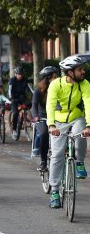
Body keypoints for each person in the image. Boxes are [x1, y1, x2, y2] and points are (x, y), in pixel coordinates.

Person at [47, 56, 90, 208]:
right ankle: (55, 191)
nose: (83, 71)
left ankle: (79, 163)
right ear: (70, 72)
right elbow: (50, 105)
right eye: (80, 69)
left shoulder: (84, 84)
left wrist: (89, 126)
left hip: (77, 118)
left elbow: (88, 102)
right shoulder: (55, 84)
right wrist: (51, 125)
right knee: (57, 155)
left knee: (80, 134)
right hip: (58, 122)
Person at [31, 66, 58, 171]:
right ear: (47, 78)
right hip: (42, 117)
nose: (56, 79)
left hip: (56, 117)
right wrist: (36, 116)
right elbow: (34, 104)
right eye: (54, 77)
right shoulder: (39, 90)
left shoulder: (59, 88)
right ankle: (43, 162)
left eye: (57, 76)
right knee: (44, 134)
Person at [8, 66, 34, 140]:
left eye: (21, 74)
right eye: (19, 74)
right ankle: (14, 129)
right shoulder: (12, 80)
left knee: (29, 104)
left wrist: (35, 95)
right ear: (15, 74)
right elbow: (9, 90)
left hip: (22, 97)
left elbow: (30, 89)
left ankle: (25, 116)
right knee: (15, 113)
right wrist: (11, 97)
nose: (20, 76)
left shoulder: (25, 80)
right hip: (14, 98)